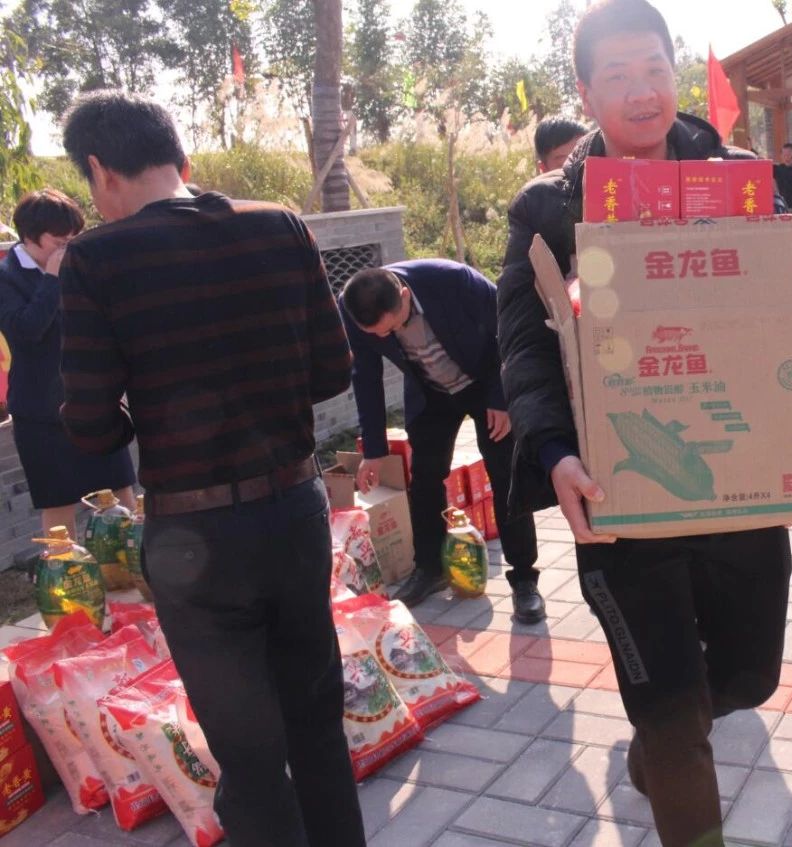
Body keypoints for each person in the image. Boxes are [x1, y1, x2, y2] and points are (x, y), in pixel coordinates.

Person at [495, 2, 792, 844]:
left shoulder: (740, 178)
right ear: (586, 93)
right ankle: (670, 752)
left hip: (737, 478)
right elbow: (522, 342)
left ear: (674, 71)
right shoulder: (549, 206)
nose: (641, 91)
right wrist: (553, 453)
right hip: (621, 487)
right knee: (668, 701)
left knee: (748, 675)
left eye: (653, 69)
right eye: (617, 76)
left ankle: (659, 751)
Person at [57, 90, 365, 847]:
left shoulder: (97, 258)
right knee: (316, 725)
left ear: (99, 170)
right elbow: (333, 371)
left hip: (196, 542)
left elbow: (90, 423)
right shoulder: (280, 226)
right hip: (294, 512)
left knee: (250, 755)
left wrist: (141, 416)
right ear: (180, 159)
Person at [339, 261, 544, 620]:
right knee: (425, 478)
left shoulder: (453, 281)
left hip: (484, 382)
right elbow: (366, 377)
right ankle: (429, 569)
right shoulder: (354, 306)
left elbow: (510, 331)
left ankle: (524, 578)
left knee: (506, 475)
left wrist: (501, 398)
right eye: (378, 334)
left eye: (393, 328)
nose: (387, 338)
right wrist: (373, 451)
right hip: (430, 391)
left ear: (404, 295)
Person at [0, 189, 136, 533]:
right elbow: (26, 331)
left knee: (122, 496)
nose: (68, 247)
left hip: (92, 401)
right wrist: (51, 278)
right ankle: (67, 567)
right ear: (30, 235)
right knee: (58, 504)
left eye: (74, 238)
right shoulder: (7, 275)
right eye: (59, 241)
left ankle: (135, 562)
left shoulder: (81, 265)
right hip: (40, 413)